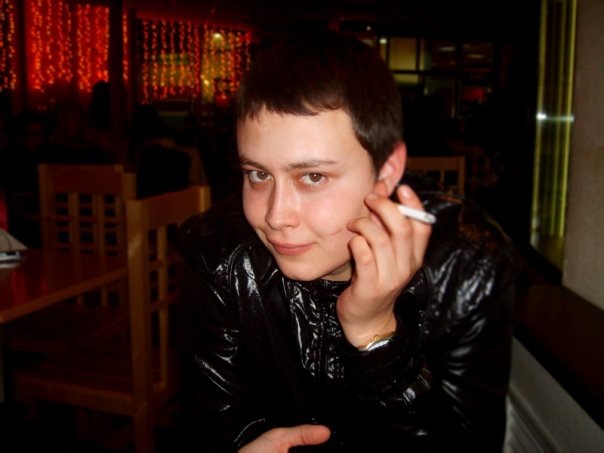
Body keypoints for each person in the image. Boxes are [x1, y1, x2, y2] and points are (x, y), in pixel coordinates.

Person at [176, 30, 519, 452]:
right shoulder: (218, 258)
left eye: (313, 176)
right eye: (258, 174)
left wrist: (377, 335)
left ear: (387, 169)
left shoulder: (465, 266)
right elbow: (211, 429)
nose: (275, 217)